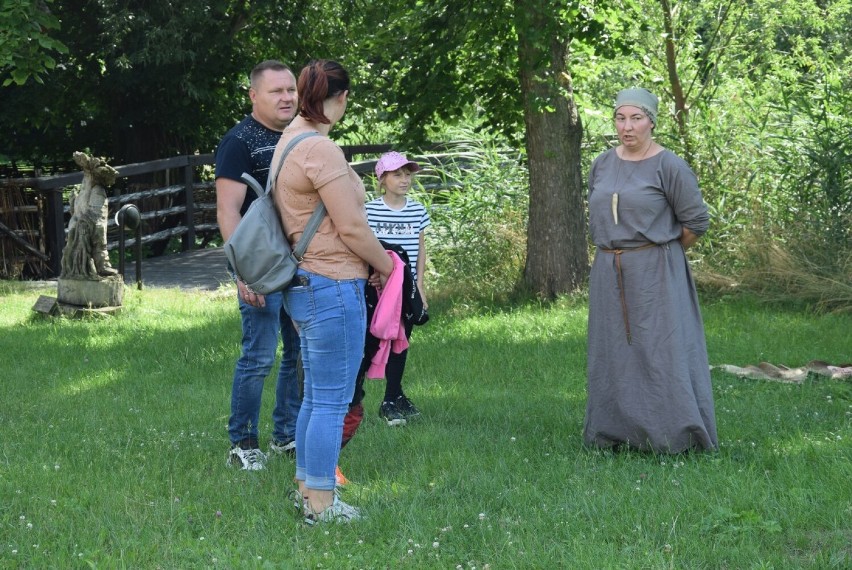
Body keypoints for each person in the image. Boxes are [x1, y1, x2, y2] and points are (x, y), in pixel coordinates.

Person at [273, 59, 394, 524]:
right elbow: (353, 228)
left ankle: (307, 487)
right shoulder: (321, 149)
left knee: (314, 397)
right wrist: (385, 268)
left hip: (303, 284)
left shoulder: (289, 139)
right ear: (340, 98)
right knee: (330, 400)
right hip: (332, 284)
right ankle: (322, 505)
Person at [583, 87, 718, 453]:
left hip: (656, 271)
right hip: (609, 271)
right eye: (620, 118)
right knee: (612, 352)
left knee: (661, 349)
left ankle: (674, 436)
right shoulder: (602, 163)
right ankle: (615, 434)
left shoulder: (668, 165)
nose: (627, 127)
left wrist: (658, 253)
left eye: (636, 118)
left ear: (652, 121)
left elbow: (695, 222)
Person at [215, 60, 301, 470]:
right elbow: (228, 212)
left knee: (298, 354)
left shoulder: (299, 134)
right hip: (261, 269)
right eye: (276, 91)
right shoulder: (239, 142)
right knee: (259, 356)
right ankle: (243, 444)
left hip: (302, 264)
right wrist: (241, 272)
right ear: (253, 95)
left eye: (291, 90)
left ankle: (286, 436)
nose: (287, 97)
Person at [365, 152, 430, 425]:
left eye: (407, 174)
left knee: (401, 340)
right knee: (373, 340)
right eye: (397, 175)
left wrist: (419, 286)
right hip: (377, 288)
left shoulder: (417, 210)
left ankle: (392, 397)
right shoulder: (369, 210)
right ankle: (353, 399)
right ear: (382, 179)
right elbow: (363, 246)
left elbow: (421, 250)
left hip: (405, 289)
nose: (404, 180)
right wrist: (373, 274)